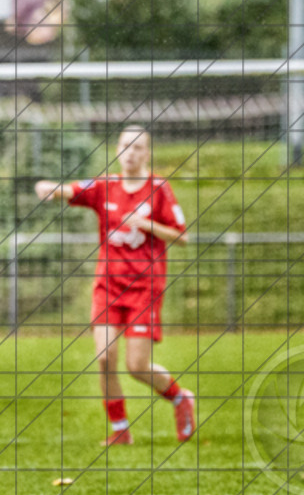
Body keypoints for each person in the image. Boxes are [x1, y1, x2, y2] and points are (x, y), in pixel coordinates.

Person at [35, 125, 196, 446]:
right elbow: (69, 190)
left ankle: (180, 398)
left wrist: (147, 224)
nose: (130, 152)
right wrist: (47, 187)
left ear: (147, 153)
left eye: (137, 147)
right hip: (108, 287)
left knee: (136, 366)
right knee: (104, 357)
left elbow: (182, 237)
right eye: (125, 145)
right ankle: (121, 430)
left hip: (144, 289)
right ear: (117, 149)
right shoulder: (105, 185)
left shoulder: (159, 188)